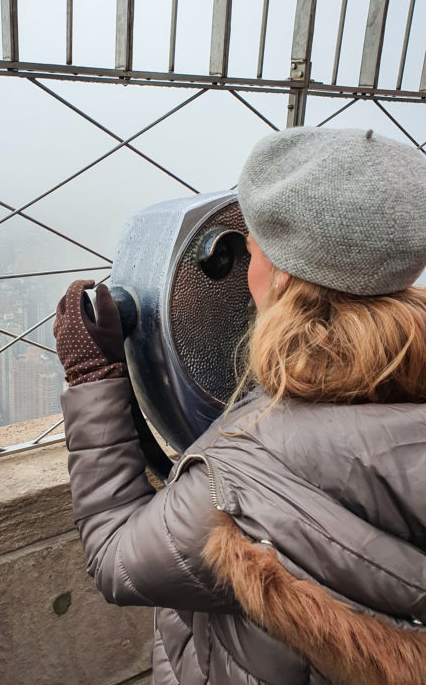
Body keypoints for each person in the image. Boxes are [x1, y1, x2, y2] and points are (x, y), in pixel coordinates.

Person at [52, 127, 426, 685]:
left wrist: (92, 378)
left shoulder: (242, 483)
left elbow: (115, 556)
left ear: (277, 272)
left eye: (250, 250)